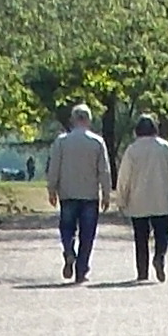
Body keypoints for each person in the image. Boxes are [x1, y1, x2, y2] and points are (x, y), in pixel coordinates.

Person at [43, 103, 112, 283]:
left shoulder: (62, 141)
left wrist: (52, 189)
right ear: (88, 120)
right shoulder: (97, 142)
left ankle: (68, 251)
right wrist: (106, 193)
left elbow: (54, 167)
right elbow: (104, 171)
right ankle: (81, 270)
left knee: (67, 228)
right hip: (89, 195)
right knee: (87, 233)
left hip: (68, 193)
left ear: (73, 120)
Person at [117, 112, 168, 282]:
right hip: (161, 199)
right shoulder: (164, 147)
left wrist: (121, 199)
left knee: (141, 238)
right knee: (162, 234)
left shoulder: (132, 150)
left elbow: (124, 177)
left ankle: (142, 272)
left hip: (138, 201)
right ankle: (160, 257)